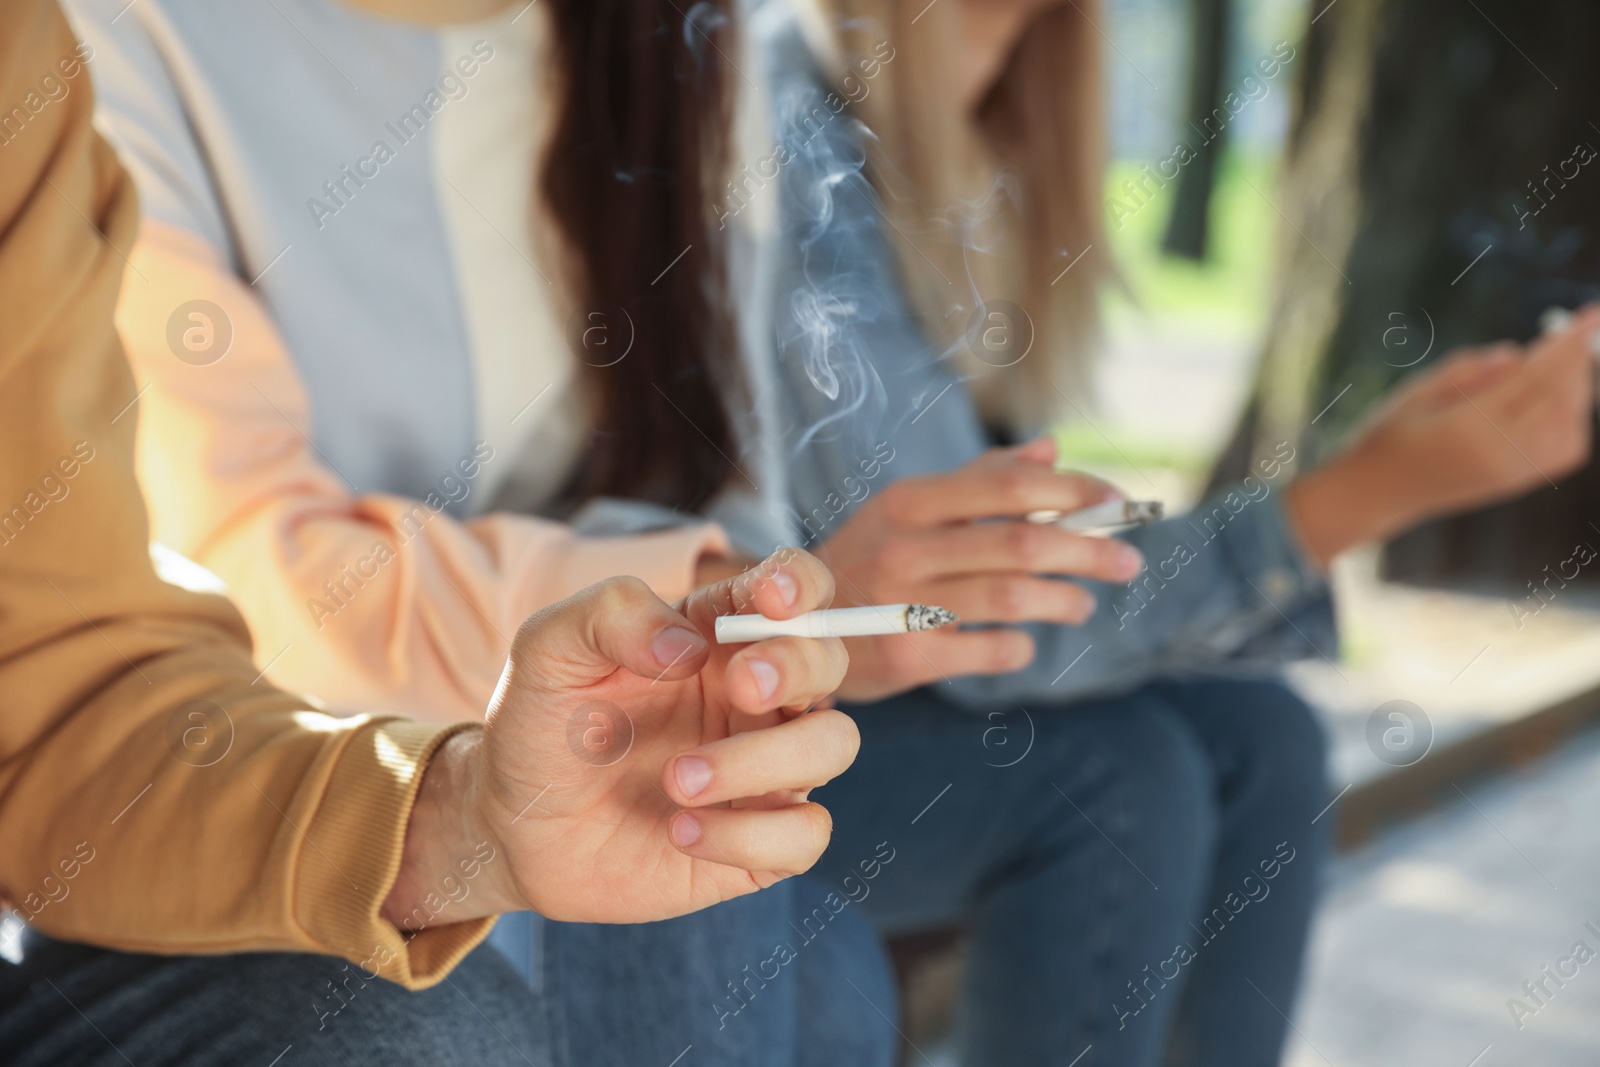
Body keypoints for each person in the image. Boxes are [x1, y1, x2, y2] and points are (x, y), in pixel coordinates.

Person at [73, 1, 1599, 1066]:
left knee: (1242, 745)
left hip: (690, 670)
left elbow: (822, 536)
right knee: (1054, 789)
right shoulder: (137, 51)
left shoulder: (702, 62)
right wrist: (1356, 499)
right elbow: (255, 563)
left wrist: (763, 598)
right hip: (379, 730)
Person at [0, 5, 873, 1065]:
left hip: (377, 756)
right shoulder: (137, 33)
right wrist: (679, 586)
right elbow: (262, 562)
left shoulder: (685, 42)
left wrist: (465, 818)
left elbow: (59, 692)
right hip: (311, 696)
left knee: (819, 953)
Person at [752, 0, 1599, 1063]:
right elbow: (979, 612)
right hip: (737, 720)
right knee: (1119, 780)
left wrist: (1371, 480)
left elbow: (1009, 561)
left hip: (869, 691)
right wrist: (1367, 495)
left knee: (1263, 735)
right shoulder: (790, 142)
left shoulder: (964, 140)